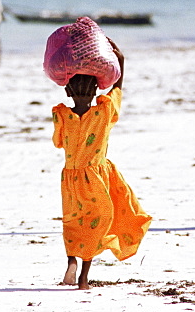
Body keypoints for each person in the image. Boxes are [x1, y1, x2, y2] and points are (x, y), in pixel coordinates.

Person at [51, 41, 151, 289]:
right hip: (97, 179)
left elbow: (58, 142)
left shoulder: (61, 114)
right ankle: (84, 277)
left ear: (68, 91)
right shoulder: (104, 112)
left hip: (71, 179)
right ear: (96, 89)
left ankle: (70, 263)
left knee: (72, 223)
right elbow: (117, 90)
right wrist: (121, 62)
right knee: (95, 225)